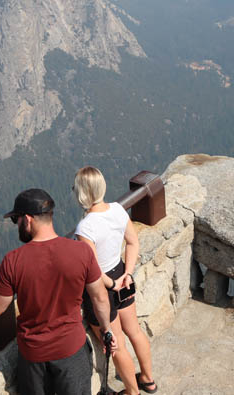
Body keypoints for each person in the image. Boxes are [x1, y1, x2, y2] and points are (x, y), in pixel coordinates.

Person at [0, 188, 117, 395]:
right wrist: (107, 330)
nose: (17, 226)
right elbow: (100, 298)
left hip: (33, 357)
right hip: (72, 350)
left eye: (16, 220)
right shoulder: (81, 252)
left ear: (28, 220)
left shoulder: (13, 261)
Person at [74, 166, 158, 395]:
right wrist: (127, 275)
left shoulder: (85, 228)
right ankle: (148, 380)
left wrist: (112, 284)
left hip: (101, 287)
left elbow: (91, 269)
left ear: (81, 193)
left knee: (117, 344)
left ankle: (132, 392)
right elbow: (133, 242)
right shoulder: (118, 210)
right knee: (135, 331)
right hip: (122, 274)